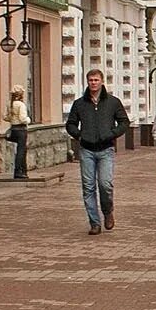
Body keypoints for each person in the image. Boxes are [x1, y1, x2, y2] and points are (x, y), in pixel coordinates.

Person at [64, 69, 129, 235]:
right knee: (88, 187)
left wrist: (112, 134)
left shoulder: (112, 102)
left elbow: (124, 122)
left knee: (105, 184)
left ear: (101, 82)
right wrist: (80, 135)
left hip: (106, 149)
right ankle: (94, 222)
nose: (93, 83)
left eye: (96, 80)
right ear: (87, 82)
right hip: (86, 150)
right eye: (91, 80)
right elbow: (70, 124)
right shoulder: (80, 104)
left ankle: (107, 211)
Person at [3, 88, 30, 180]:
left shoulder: (10, 104)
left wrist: (13, 119)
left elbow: (5, 117)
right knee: (21, 151)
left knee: (20, 150)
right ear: (20, 95)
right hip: (21, 129)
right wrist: (28, 119)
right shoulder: (21, 105)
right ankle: (20, 171)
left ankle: (20, 171)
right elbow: (23, 119)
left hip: (13, 129)